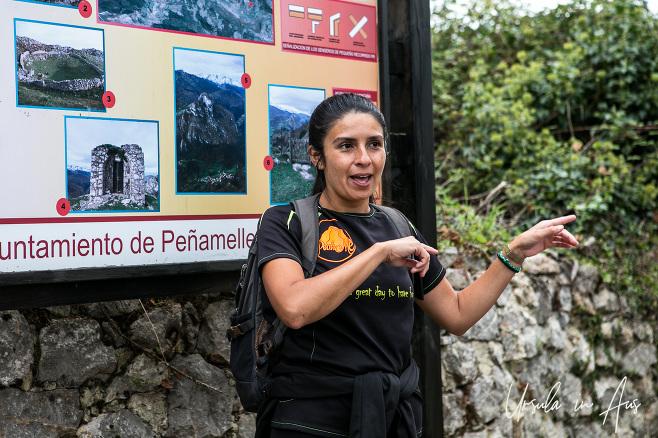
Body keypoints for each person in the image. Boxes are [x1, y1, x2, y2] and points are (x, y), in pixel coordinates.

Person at [255, 93, 578, 437]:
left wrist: (513, 253)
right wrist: (378, 253)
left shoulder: (396, 226)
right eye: (346, 146)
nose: (364, 159)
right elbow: (294, 308)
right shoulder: (286, 221)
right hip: (310, 421)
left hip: (394, 418)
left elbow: (456, 314)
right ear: (317, 157)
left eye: (374, 144)